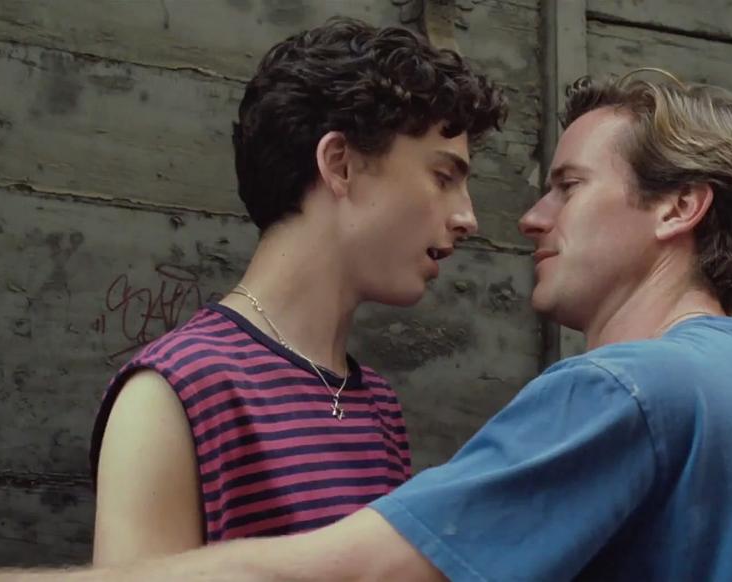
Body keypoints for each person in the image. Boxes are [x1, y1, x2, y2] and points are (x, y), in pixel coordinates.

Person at [0, 69, 732, 582]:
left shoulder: (632, 392)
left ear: (679, 208)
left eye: (569, 186)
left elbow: (359, 572)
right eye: (448, 176)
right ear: (338, 166)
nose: (522, 220)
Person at [85, 16, 506, 565]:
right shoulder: (174, 393)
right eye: (443, 177)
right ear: (340, 165)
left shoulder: (377, 405)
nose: (467, 218)